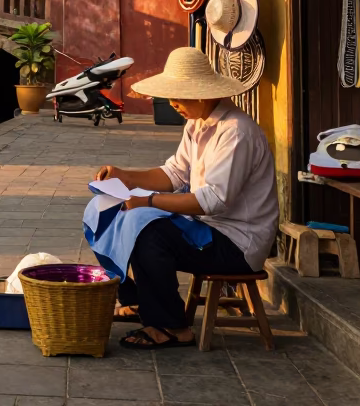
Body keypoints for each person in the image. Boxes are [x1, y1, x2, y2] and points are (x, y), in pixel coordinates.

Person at [93, 47, 277, 350]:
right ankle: (136, 300)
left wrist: (148, 202)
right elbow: (174, 174)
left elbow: (213, 200)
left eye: (180, 96)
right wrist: (125, 176)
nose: (174, 104)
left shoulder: (235, 131)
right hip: (206, 229)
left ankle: (172, 327)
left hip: (236, 243)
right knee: (106, 212)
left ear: (203, 94)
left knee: (147, 231)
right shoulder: (197, 123)